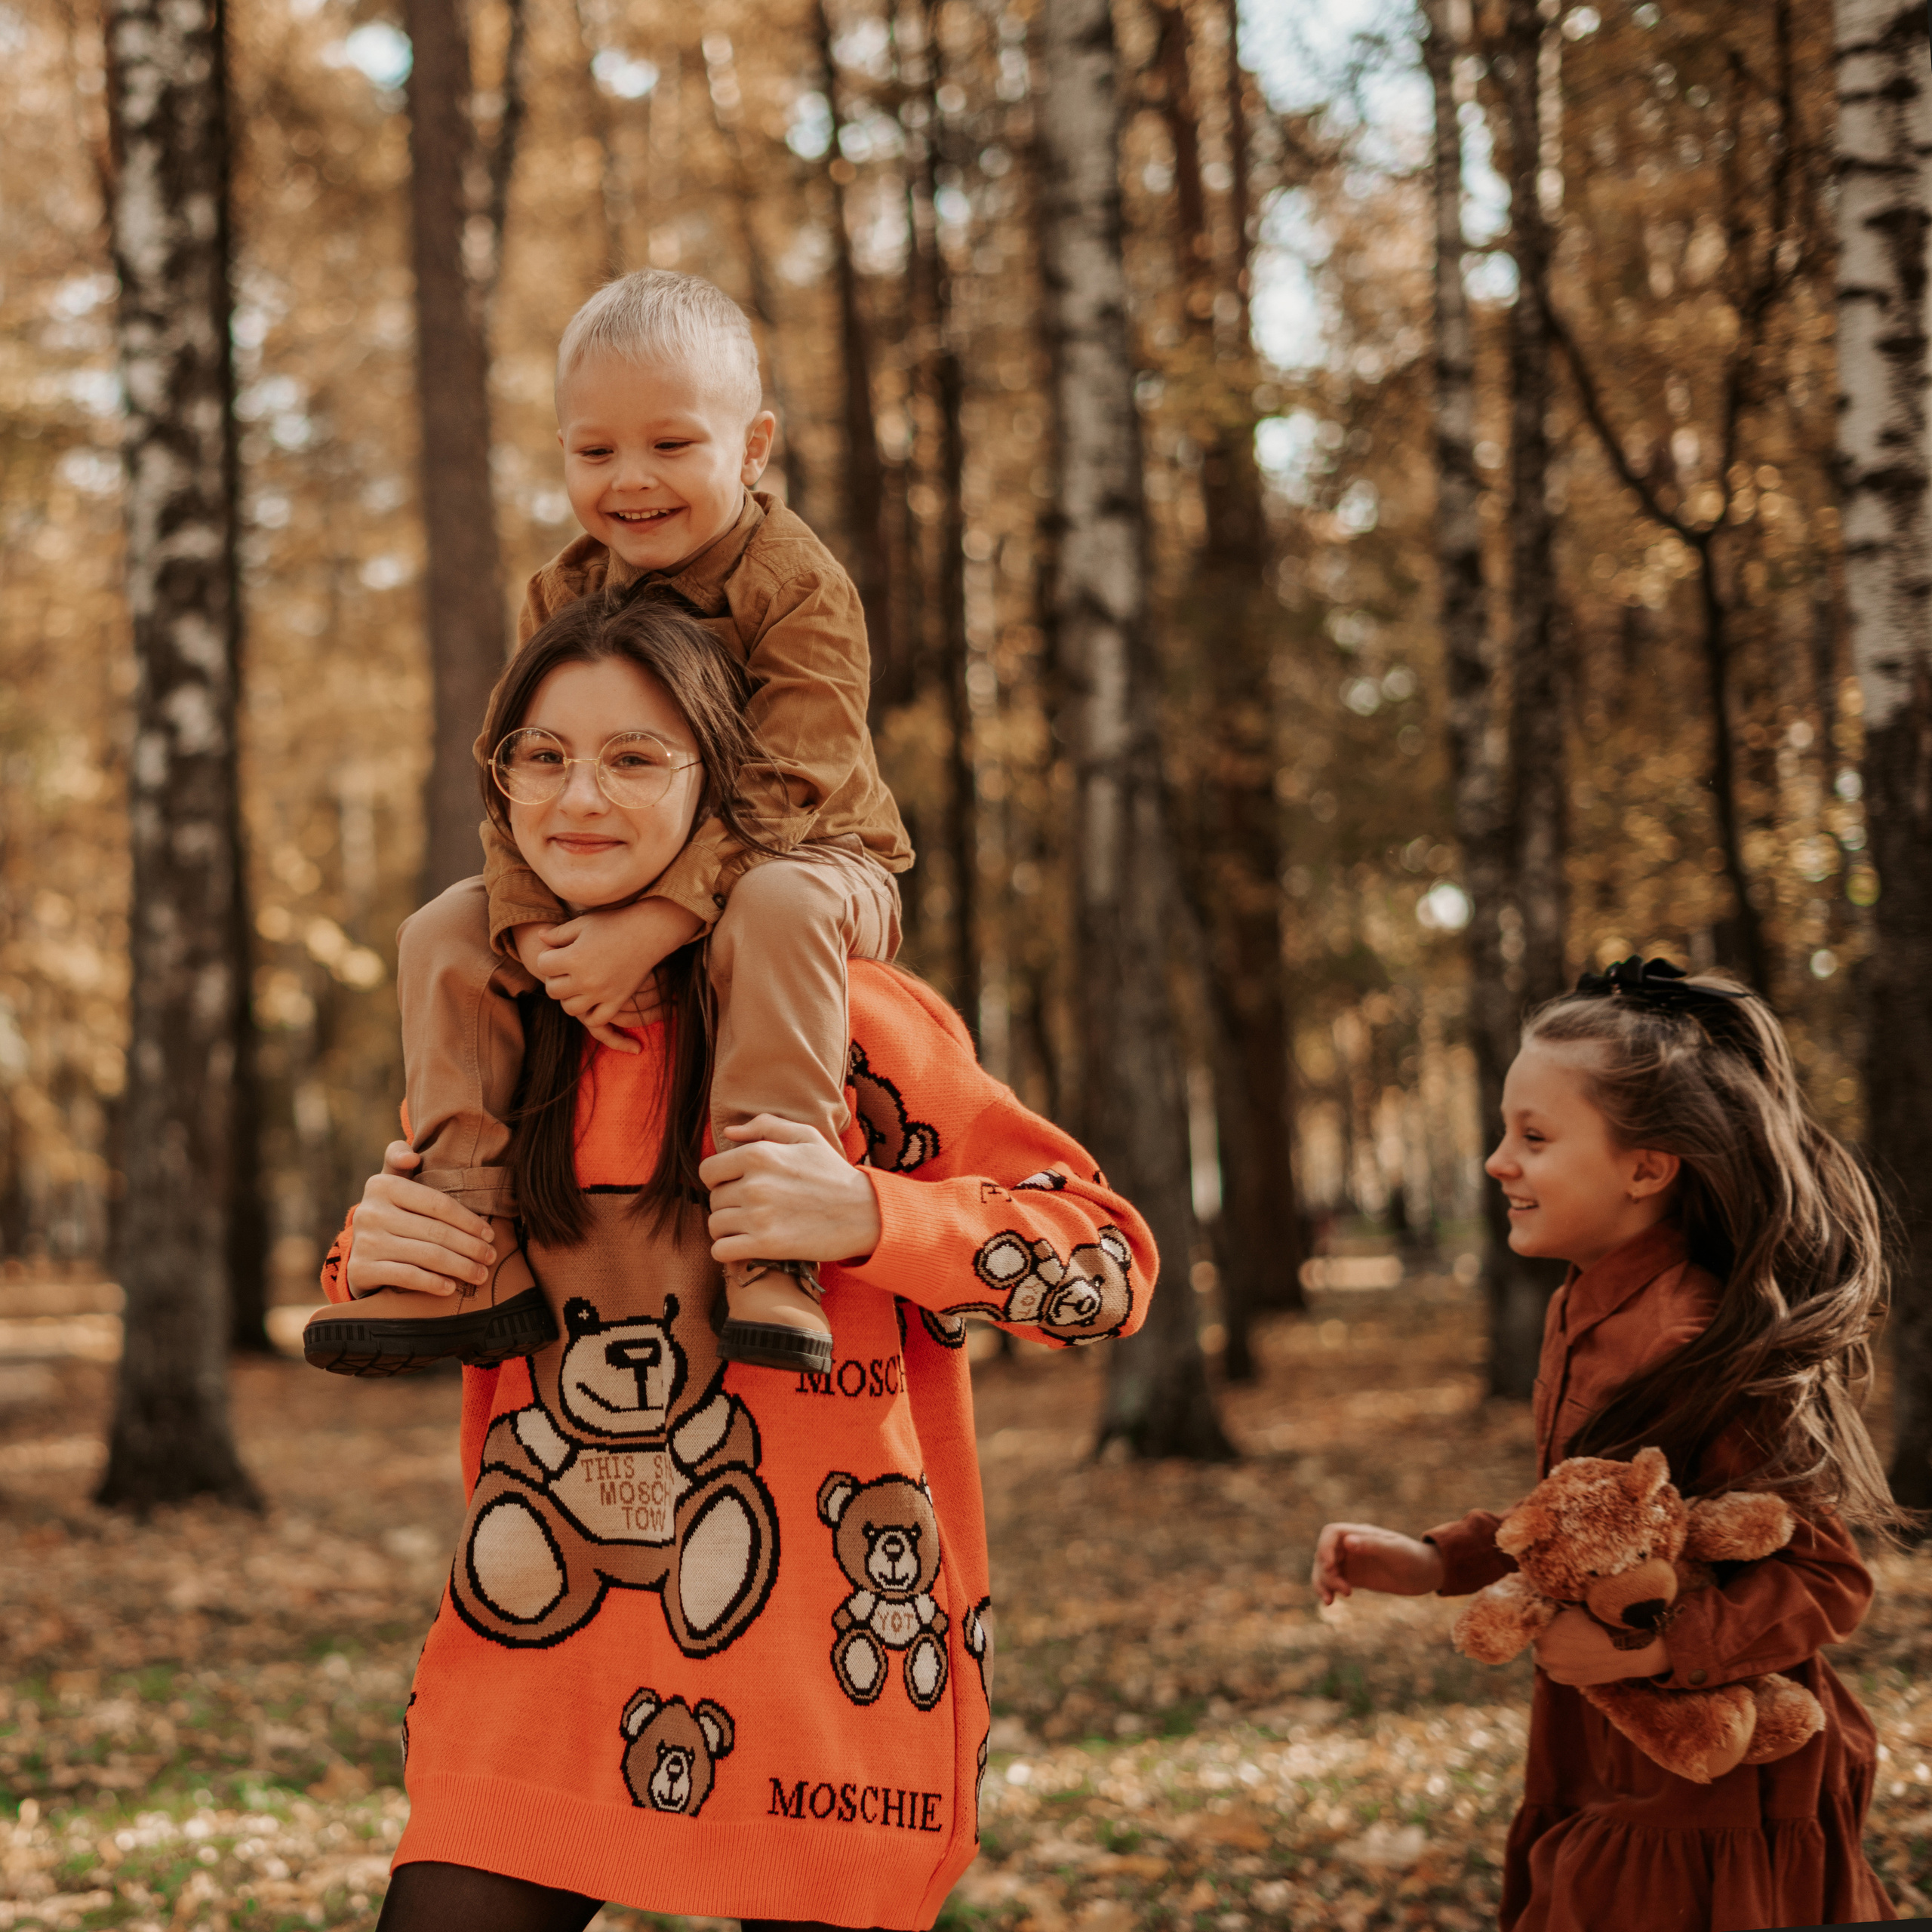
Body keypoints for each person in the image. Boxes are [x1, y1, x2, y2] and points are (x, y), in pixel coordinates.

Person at [308, 592, 1156, 1932]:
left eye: (636, 756)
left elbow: (1105, 1269)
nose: (578, 793)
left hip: (827, 1675)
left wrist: (870, 1214)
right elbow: (422, 1267)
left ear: (720, 782)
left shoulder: (840, 1013)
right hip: (545, 1657)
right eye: (541, 754)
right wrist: (373, 1257)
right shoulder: (491, 1019)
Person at [317, 267, 912, 1377]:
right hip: (622, 881)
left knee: (775, 906)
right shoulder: (565, 592)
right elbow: (520, 770)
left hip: (818, 864)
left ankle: (769, 1227)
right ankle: (464, 1225)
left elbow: (790, 789)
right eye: (595, 453)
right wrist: (534, 923)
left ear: (752, 446)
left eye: (672, 445)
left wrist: (653, 926)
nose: (631, 481)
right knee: (442, 931)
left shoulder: (798, 587)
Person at [1311, 957, 1900, 1932]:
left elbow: (1830, 1576)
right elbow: (1594, 1521)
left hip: (1711, 1794)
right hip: (1599, 1758)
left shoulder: (1699, 1335)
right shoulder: (1579, 1308)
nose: (1499, 1162)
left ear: (1647, 1166)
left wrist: (1656, 1651)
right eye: (1507, 1133)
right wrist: (1433, 1562)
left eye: (1534, 1138)